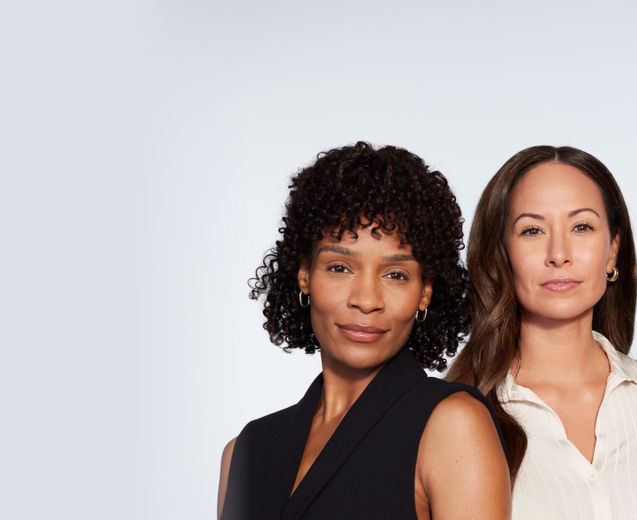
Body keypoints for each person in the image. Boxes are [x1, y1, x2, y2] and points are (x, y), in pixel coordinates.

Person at [216, 142, 511, 520]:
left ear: (424, 293)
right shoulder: (246, 452)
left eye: (395, 275)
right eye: (340, 267)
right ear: (305, 276)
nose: (366, 299)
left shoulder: (453, 425)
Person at [447, 145, 637, 519]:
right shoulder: (456, 417)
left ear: (612, 251)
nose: (559, 253)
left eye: (581, 227)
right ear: (502, 255)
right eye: (532, 230)